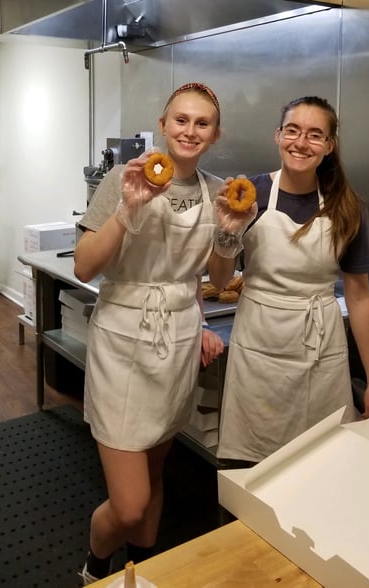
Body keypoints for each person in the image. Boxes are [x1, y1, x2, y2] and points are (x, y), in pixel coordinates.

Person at [73, 82, 225, 584]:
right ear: (163, 125)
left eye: (202, 123)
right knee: (131, 502)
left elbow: (217, 281)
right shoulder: (124, 178)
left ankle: (140, 573)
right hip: (122, 341)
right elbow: (84, 267)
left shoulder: (216, 191)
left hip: (177, 341)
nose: (190, 130)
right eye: (180, 120)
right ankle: (96, 570)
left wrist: (229, 234)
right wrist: (127, 209)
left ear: (215, 134)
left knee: (156, 472)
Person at [211, 95, 369, 465]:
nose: (301, 142)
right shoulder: (250, 194)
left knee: (321, 462)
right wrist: (226, 232)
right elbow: (221, 278)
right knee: (252, 466)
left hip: (319, 348)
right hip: (258, 346)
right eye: (292, 130)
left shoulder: (346, 206)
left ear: (328, 145)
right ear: (278, 136)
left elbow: (358, 297)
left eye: (314, 134)